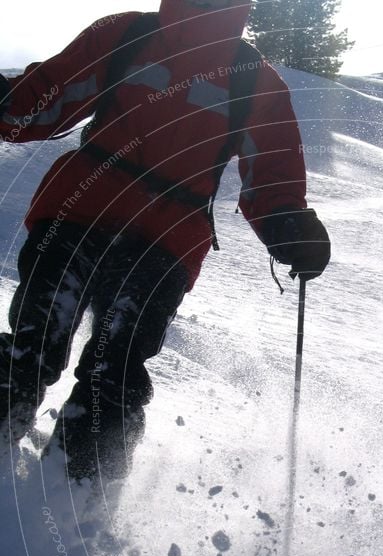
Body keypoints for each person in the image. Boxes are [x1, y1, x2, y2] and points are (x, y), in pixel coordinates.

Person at [0, 0, 330, 480]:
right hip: (78, 215)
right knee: (35, 341)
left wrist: (289, 225)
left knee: (113, 366)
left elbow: (272, 176)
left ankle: (78, 494)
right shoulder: (124, 35)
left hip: (164, 242)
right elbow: (47, 100)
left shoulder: (254, 80)